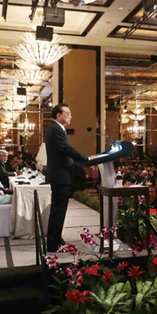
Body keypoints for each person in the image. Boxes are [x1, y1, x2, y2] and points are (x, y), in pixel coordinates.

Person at [45, 104, 90, 252]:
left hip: (61, 175)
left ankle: (56, 238)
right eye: (68, 113)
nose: (71, 116)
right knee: (58, 210)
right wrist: (86, 158)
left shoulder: (56, 128)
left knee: (59, 210)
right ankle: (53, 243)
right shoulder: (55, 129)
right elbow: (66, 149)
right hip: (60, 175)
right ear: (59, 115)